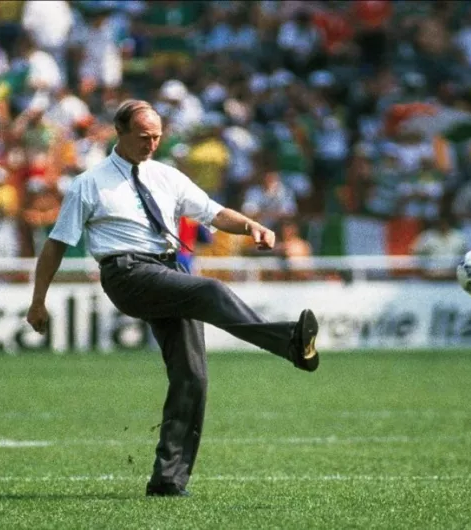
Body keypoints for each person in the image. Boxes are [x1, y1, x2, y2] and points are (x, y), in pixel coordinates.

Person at [25, 99, 320, 498]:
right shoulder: (88, 184)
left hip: (167, 272)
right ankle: (289, 342)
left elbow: (214, 214)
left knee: (192, 376)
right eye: (144, 137)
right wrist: (38, 300)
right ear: (120, 132)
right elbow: (56, 246)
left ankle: (168, 479)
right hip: (127, 275)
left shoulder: (167, 176)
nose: (152, 144)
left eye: (158, 136)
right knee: (211, 289)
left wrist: (251, 225)